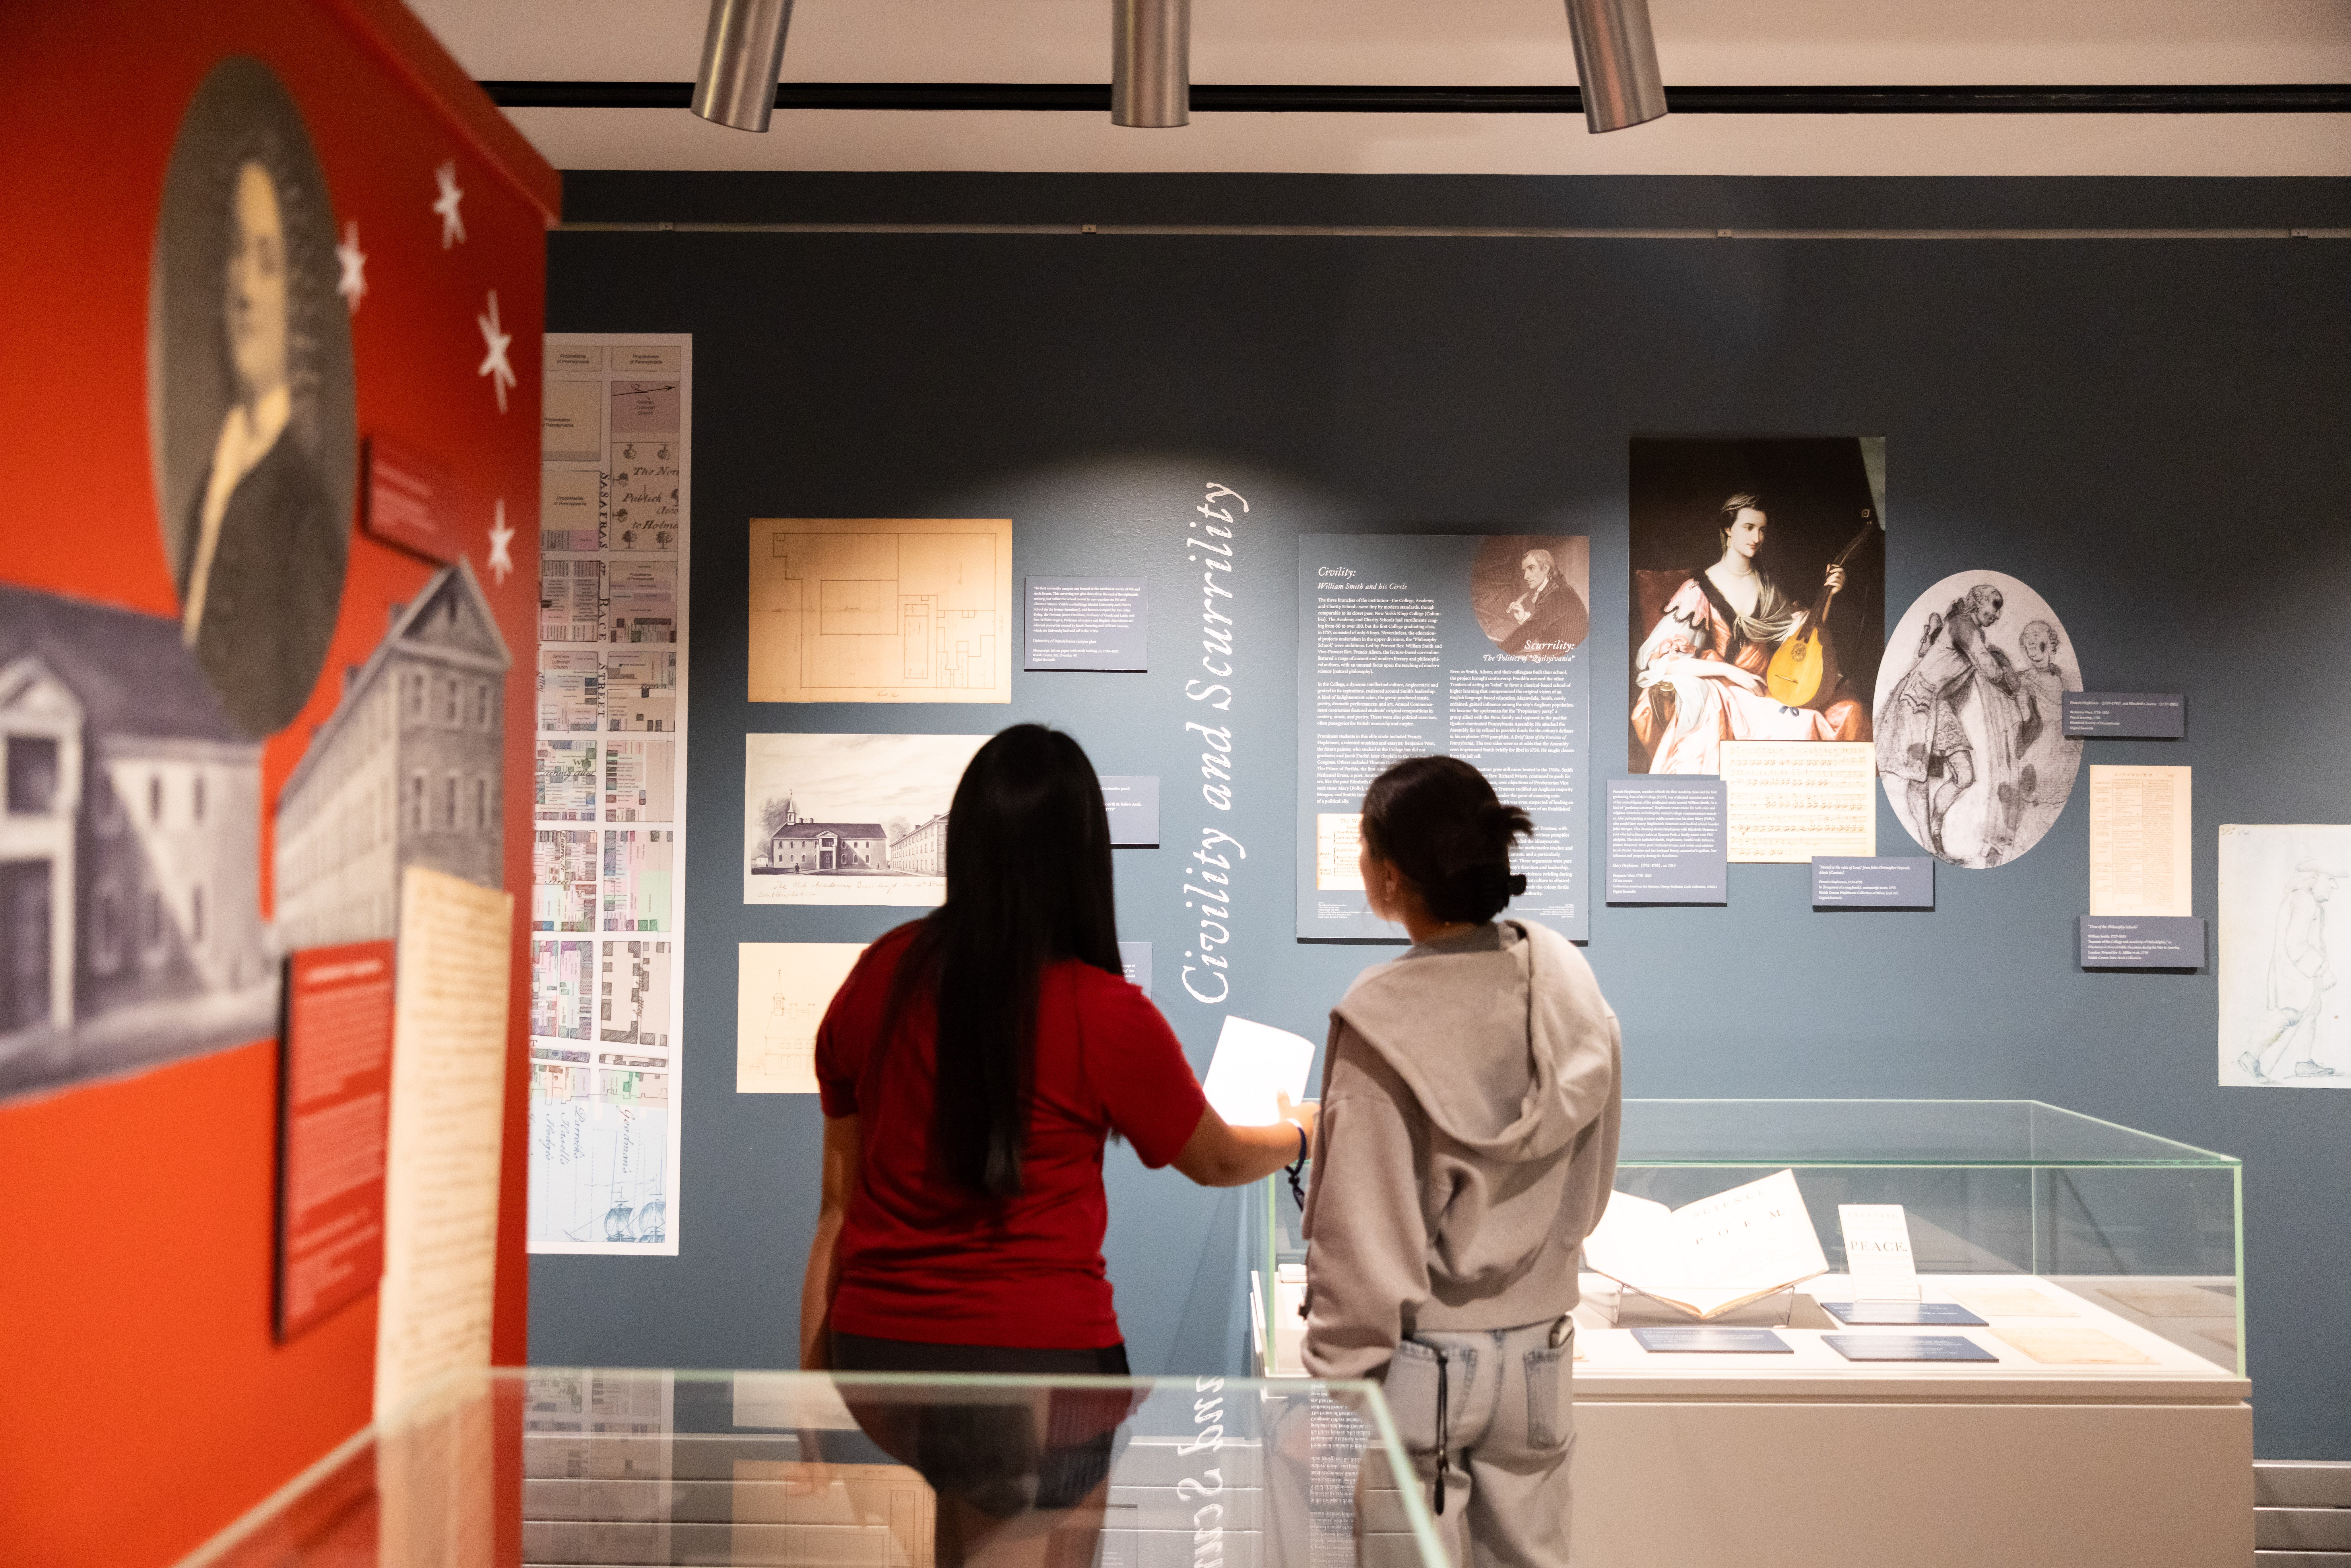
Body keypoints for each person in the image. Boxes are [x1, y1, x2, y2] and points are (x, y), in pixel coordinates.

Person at [801, 724, 1313, 1560]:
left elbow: (836, 1207)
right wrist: (1299, 1135)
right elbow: (1218, 1158)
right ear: (1083, 858)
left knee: (968, 1527)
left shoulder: (881, 974)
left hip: (880, 1359)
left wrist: (808, 1394)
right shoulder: (1102, 1012)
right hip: (1035, 1369)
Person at [1301, 756, 1622, 1568]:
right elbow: (1591, 1187)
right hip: (1542, 1350)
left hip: (1424, 1366)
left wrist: (1335, 1381)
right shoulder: (1569, 989)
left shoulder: (1381, 1020)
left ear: (1391, 876)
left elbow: (1363, 1238)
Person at [179, 154, 342, 738]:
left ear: (296, 298)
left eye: (268, 263)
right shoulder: (212, 481)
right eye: (236, 252)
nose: (245, 288)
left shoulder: (304, 512)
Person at [1632, 493, 1867, 773]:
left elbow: (1801, 637)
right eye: (1748, 527)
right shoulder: (1698, 589)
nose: (1756, 537)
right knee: (1803, 726)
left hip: (1770, 682)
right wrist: (1732, 672)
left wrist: (1829, 593)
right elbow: (1663, 661)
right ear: (1728, 529)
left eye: (1762, 530)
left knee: (1843, 713)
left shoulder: (1766, 586)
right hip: (1728, 688)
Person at [1877, 583, 2018, 862]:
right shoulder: (1963, 624)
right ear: (1977, 601)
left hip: (1939, 706)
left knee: (1964, 775)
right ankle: (1931, 846)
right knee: (1919, 777)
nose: (1997, 615)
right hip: (1917, 701)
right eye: (1994, 606)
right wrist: (2010, 682)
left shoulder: (1972, 630)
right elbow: (1989, 668)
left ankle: (1934, 826)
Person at [2242, 861, 2344, 1082]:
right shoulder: (2304, 899)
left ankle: (2304, 1063)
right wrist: (2322, 970)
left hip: (2301, 971)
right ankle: (2251, 1057)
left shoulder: (2309, 902)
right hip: (2296, 972)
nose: (2334, 886)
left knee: (2311, 1011)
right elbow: (2296, 944)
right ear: (2313, 879)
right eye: (2330, 879)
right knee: (2292, 1014)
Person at [1497, 548, 1586, 657]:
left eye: (1531, 569)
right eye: (1524, 571)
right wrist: (1524, 618)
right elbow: (1544, 625)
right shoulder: (1551, 590)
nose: (1526, 577)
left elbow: (1529, 631)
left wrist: (1497, 654)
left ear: (1545, 569)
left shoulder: (1557, 594)